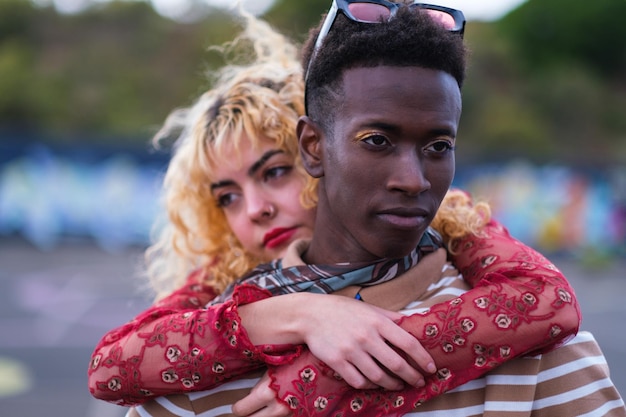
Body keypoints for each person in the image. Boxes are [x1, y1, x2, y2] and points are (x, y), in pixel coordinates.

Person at [87, 5, 598, 417]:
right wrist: (297, 311)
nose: (258, 210)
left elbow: (547, 300)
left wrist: (326, 376)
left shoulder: (528, 339)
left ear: (309, 153)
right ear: (317, 146)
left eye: (273, 172)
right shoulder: (200, 361)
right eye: (227, 197)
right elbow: (111, 367)